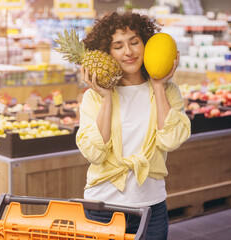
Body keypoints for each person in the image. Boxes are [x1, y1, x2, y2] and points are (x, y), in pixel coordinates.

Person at [76, 11, 191, 240]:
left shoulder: (169, 92)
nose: (128, 52)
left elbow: (172, 140)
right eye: (117, 46)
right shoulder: (94, 98)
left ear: (146, 45)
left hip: (151, 208)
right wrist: (107, 97)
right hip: (102, 208)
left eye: (134, 42)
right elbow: (94, 154)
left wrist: (158, 86)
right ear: (106, 52)